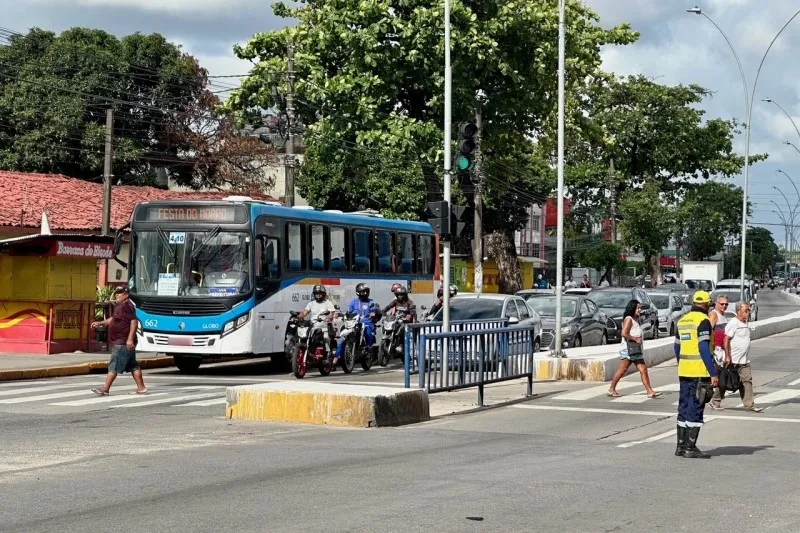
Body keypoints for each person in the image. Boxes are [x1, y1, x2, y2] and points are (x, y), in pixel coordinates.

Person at [673, 290, 719, 459]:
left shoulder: (683, 320)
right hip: (699, 371)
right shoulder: (703, 321)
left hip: (684, 370)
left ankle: (680, 446)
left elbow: (677, 348)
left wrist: (682, 363)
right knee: (696, 407)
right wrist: (713, 372)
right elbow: (703, 348)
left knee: (684, 407)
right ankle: (690, 448)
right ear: (707, 304)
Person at [90, 286, 147, 396]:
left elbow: (134, 322)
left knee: (114, 366)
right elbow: (114, 319)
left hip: (122, 342)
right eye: (116, 293)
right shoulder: (122, 306)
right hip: (123, 341)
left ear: (126, 295)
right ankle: (141, 388)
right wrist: (100, 323)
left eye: (120, 293)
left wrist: (130, 339)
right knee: (133, 366)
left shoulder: (126, 306)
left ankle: (105, 389)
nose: (117, 295)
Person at [608, 300, 661, 399]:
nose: (640, 310)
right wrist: (635, 338)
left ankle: (649, 391)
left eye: (640, 308)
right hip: (629, 349)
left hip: (636, 349)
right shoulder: (629, 319)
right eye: (638, 308)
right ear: (633, 308)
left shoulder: (635, 319)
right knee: (622, 370)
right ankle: (612, 388)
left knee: (643, 369)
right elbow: (624, 333)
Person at [715, 302, 763, 412]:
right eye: (746, 311)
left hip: (744, 360)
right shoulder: (733, 323)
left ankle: (749, 405)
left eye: (748, 311)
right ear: (738, 311)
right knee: (725, 381)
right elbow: (726, 339)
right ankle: (715, 400)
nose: (748, 313)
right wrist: (727, 356)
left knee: (746, 381)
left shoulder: (745, 323)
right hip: (733, 359)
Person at [336, 283, 380, 361]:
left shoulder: (370, 302)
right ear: (358, 292)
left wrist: (373, 313)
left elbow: (373, 309)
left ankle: (369, 348)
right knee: (344, 338)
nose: (365, 293)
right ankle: (336, 358)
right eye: (363, 291)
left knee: (368, 331)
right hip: (354, 323)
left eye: (367, 291)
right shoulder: (353, 302)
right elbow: (349, 312)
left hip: (367, 323)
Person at [298, 285, 337, 355]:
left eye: (320, 293)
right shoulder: (311, 303)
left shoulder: (328, 303)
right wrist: (298, 317)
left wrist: (328, 317)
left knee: (326, 337)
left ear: (324, 294)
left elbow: (331, 313)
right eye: (316, 293)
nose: (318, 295)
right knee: (304, 337)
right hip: (313, 327)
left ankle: (328, 353)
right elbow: (304, 312)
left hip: (324, 327)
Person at [708, 295, 729, 410]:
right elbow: (709, 331)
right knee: (720, 375)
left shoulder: (723, 315)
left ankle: (715, 398)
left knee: (721, 375)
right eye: (722, 304)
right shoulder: (714, 314)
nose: (724, 306)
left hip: (722, 350)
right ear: (716, 304)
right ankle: (712, 398)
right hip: (717, 350)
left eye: (726, 304)